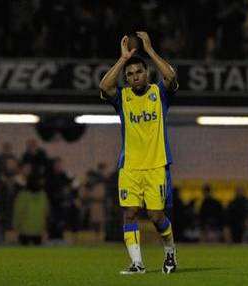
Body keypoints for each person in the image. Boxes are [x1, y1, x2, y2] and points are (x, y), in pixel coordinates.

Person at [99, 31, 178, 274]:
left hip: (156, 166)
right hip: (130, 167)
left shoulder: (159, 94)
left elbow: (171, 76)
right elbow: (104, 86)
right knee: (130, 214)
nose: (135, 77)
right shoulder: (122, 98)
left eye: (139, 72)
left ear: (147, 73)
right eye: (130, 74)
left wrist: (150, 50)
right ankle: (137, 263)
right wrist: (123, 59)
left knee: (156, 217)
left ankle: (170, 253)